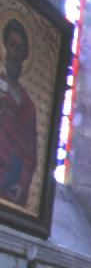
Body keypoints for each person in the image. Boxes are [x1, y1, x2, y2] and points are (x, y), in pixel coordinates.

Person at [0, 18, 36, 207]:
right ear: (5, 47)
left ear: (24, 56)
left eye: (19, 48)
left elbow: (31, 155)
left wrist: (22, 184)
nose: (14, 52)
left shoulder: (29, 106)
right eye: (11, 45)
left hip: (13, 187)